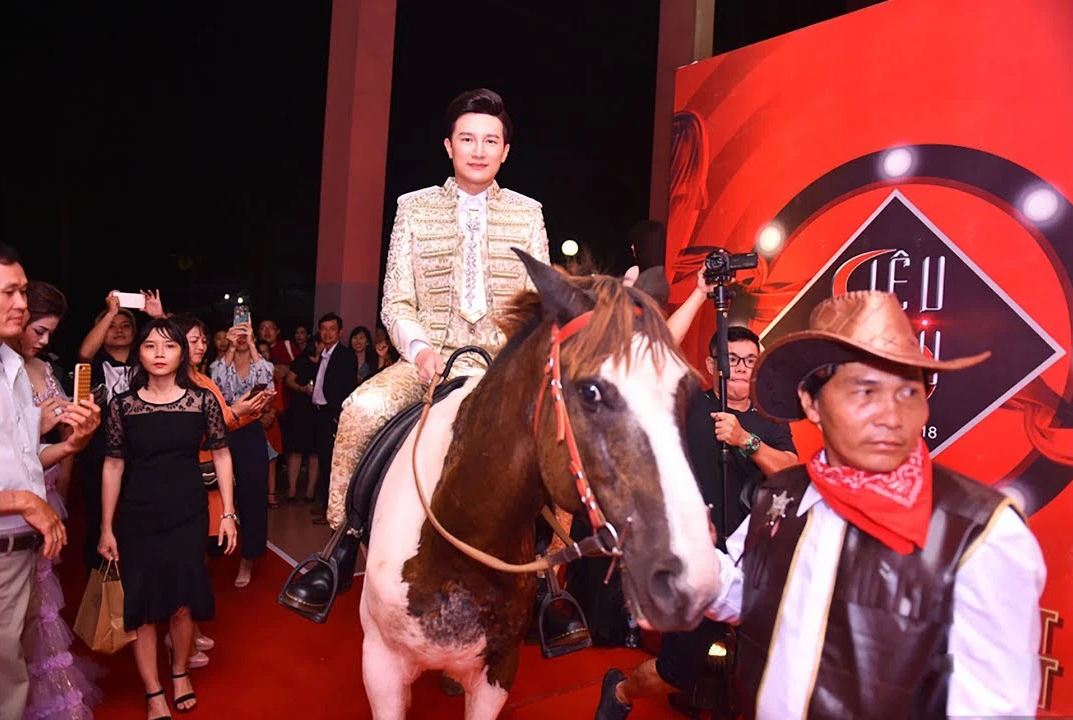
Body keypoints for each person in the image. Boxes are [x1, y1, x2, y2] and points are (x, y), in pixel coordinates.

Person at [706, 291, 1044, 718]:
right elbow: (740, 595)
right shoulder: (782, 493)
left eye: (908, 393)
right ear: (811, 403)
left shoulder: (982, 534)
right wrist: (687, 554)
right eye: (866, 392)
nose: (891, 415)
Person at [322, 87, 550, 530]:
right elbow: (396, 301)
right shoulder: (413, 208)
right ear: (449, 147)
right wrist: (422, 351)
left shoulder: (529, 213)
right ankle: (341, 540)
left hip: (504, 369)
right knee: (360, 410)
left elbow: (538, 305)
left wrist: (518, 362)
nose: (478, 150)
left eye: (489, 141)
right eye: (467, 139)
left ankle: (555, 567)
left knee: (565, 429)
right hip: (426, 362)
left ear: (505, 151)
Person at [596, 326, 797, 718]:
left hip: (754, 559)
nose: (740, 368)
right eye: (731, 359)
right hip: (697, 555)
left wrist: (745, 440)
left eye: (749, 360)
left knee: (767, 664)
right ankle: (619, 692)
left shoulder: (769, 418)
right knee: (676, 669)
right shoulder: (690, 405)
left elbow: (790, 468)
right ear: (711, 364)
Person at [98, 318, 238, 719]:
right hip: (138, 515)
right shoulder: (122, 405)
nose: (159, 354)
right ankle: (153, 689)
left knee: (180, 604)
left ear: (183, 353)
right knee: (143, 608)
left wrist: (227, 513)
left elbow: (222, 453)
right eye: (150, 346)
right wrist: (106, 526)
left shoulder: (201, 401)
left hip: (188, 513)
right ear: (140, 353)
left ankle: (178, 672)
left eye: (169, 346)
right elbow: (112, 465)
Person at [1, 243, 101, 720]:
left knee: (15, 672)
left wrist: (72, 445)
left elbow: (28, 455)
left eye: (23, 293)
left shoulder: (15, 371)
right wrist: (24, 500)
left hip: (22, 548)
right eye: (9, 293)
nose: (19, 304)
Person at [170, 313, 272, 670]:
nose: (198, 346)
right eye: (193, 340)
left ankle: (188, 626)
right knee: (187, 554)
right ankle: (177, 632)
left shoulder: (197, 377)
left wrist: (243, 411)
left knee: (197, 552)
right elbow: (206, 425)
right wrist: (236, 412)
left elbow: (219, 419)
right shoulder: (188, 378)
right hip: (189, 472)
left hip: (216, 460)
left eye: (201, 340)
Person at [210, 319, 274, 587]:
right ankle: (214, 549)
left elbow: (267, 386)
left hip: (250, 434)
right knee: (217, 495)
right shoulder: (218, 366)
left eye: (245, 332)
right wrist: (231, 350)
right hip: (223, 431)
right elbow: (216, 385)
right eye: (235, 332)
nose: (240, 336)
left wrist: (250, 345)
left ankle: (248, 557)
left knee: (253, 498)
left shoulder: (263, 364)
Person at [309, 313, 357, 524]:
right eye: (323, 329)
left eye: (331, 329)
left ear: (340, 332)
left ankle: (333, 511)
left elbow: (346, 386)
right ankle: (324, 504)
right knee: (322, 458)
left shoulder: (346, 355)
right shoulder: (324, 354)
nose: (327, 333)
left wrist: (339, 415)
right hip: (319, 412)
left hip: (333, 414)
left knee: (332, 462)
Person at [283, 338, 322, 503]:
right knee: (296, 450)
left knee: (315, 452)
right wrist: (302, 389)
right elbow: (289, 380)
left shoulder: (327, 362)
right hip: (300, 409)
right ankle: (291, 490)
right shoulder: (301, 361)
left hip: (318, 411)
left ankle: (310, 491)